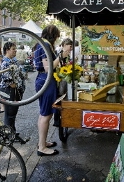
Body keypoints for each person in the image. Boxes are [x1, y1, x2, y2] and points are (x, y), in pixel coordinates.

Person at [34, 25, 70, 156]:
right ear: (53, 35)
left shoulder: (41, 44)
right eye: (56, 36)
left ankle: (41, 143)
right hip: (46, 81)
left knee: (44, 113)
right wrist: (61, 56)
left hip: (43, 80)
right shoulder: (45, 46)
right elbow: (48, 67)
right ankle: (42, 148)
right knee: (46, 114)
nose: (57, 39)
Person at [0, 42, 26, 133]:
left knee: (12, 114)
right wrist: (15, 86)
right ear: (7, 50)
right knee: (10, 114)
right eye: (13, 49)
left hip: (15, 90)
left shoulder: (13, 60)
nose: (15, 50)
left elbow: (21, 73)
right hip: (10, 91)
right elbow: (9, 81)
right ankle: (8, 134)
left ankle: (12, 132)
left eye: (15, 48)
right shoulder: (5, 62)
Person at [53, 38, 73, 127]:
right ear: (64, 45)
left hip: (64, 79)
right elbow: (59, 67)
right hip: (60, 81)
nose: (71, 48)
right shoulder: (60, 54)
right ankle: (57, 121)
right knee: (60, 100)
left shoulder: (66, 54)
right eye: (70, 46)